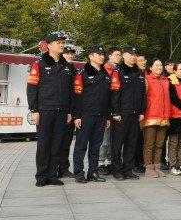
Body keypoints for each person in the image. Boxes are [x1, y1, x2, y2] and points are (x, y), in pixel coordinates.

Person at [27, 32, 74, 186]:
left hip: (62, 111)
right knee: (44, 144)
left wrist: (69, 111)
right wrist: (34, 110)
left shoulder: (67, 66)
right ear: (49, 45)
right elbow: (32, 88)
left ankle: (53, 175)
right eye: (58, 42)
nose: (62, 45)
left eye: (62, 42)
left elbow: (69, 91)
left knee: (57, 144)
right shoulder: (39, 63)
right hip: (45, 110)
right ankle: (41, 176)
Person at [72, 45, 117, 183]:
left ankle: (93, 172)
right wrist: (77, 116)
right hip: (86, 116)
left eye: (103, 54)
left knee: (96, 146)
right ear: (90, 56)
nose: (102, 56)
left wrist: (108, 116)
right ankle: (79, 173)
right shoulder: (82, 73)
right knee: (81, 145)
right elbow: (77, 96)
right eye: (98, 54)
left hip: (101, 116)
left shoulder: (105, 74)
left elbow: (109, 97)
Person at [110, 46, 146, 180]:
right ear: (123, 56)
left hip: (135, 113)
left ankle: (128, 169)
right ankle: (117, 170)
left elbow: (143, 94)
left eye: (134, 54)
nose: (133, 57)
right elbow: (114, 93)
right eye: (130, 54)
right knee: (117, 143)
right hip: (121, 113)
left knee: (131, 143)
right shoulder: (118, 71)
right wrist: (115, 112)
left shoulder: (138, 73)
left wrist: (142, 111)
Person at [142, 59, 170, 177]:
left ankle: (157, 167)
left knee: (159, 145)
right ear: (151, 67)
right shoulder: (147, 79)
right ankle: (148, 168)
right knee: (149, 144)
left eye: (161, 65)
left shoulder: (165, 80)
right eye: (156, 65)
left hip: (163, 117)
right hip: (150, 116)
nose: (159, 67)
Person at [98, 47, 122, 175]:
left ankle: (108, 162)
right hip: (106, 110)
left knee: (113, 139)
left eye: (120, 55)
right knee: (105, 139)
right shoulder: (106, 70)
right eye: (117, 55)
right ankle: (100, 163)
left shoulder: (119, 70)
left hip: (116, 109)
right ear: (110, 56)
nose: (119, 57)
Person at [57, 45, 77, 178]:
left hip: (71, 112)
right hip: (58, 110)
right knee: (55, 141)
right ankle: (52, 168)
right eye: (67, 53)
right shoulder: (57, 67)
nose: (70, 56)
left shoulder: (73, 69)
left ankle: (64, 168)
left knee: (66, 142)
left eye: (72, 54)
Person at [134, 56, 147, 173]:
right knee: (135, 138)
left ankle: (141, 161)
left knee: (143, 139)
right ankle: (135, 162)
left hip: (146, 112)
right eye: (140, 61)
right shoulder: (135, 73)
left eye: (144, 60)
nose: (143, 62)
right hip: (136, 112)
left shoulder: (146, 74)